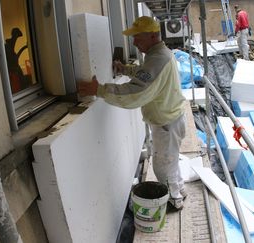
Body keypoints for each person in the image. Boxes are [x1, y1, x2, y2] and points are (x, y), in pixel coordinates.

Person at [77, 16, 187, 210]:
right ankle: (178, 190)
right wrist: (125, 69)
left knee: (163, 166)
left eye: (138, 37)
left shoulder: (158, 59)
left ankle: (174, 200)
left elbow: (137, 92)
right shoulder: (157, 55)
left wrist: (100, 90)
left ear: (153, 36)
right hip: (170, 119)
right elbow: (144, 72)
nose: (134, 42)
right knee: (170, 160)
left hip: (166, 124)